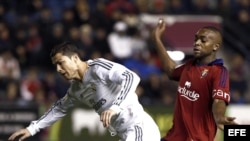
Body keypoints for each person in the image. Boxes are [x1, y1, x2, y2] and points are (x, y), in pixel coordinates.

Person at [8, 42, 161, 141]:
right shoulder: (76, 88)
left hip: (139, 127)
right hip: (125, 134)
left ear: (75, 58)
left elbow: (131, 77)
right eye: (55, 66)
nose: (58, 69)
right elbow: (59, 108)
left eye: (61, 63)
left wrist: (115, 108)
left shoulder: (98, 68)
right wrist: (32, 129)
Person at [152, 19, 238, 141]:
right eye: (196, 39)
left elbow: (219, 100)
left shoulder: (219, 71)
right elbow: (171, 71)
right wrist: (157, 40)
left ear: (215, 46)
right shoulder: (189, 66)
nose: (197, 43)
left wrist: (219, 116)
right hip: (173, 138)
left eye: (203, 40)